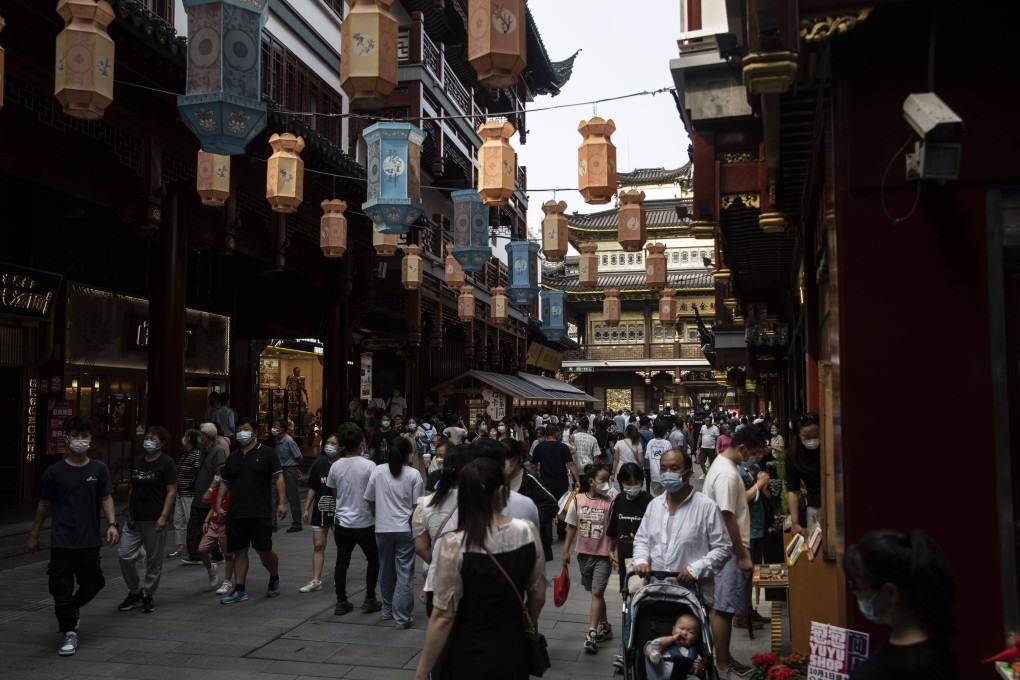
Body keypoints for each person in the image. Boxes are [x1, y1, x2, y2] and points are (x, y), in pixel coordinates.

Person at [413, 458, 546, 680]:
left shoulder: (453, 544)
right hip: (512, 651)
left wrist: (422, 671)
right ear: (502, 491)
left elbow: (443, 616)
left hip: (466, 653)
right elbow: (538, 594)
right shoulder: (527, 532)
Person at [27, 415, 119, 657]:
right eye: (76, 436)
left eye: (84, 436)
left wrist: (112, 524)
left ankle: (72, 607)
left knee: (94, 582)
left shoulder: (99, 469)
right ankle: (69, 632)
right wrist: (35, 534)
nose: (80, 440)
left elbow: (106, 497)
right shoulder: (54, 472)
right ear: (66, 439)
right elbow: (44, 504)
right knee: (60, 586)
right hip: (62, 539)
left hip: (88, 538)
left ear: (90, 438)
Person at [843, 530, 958, 680]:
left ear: (891, 593)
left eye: (858, 589)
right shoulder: (907, 642)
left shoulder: (916, 667)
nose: (856, 596)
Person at [631, 449, 731, 608]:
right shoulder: (654, 505)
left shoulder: (706, 507)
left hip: (693, 597)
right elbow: (642, 540)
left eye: (674, 468)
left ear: (688, 473)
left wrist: (696, 569)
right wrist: (641, 561)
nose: (667, 473)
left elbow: (723, 548)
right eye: (663, 469)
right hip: (655, 594)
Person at [703, 427, 760, 679]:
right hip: (727, 549)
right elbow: (728, 517)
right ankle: (723, 664)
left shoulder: (724, 466)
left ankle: (723, 658)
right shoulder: (727, 474)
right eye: (755, 453)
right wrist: (743, 555)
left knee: (722, 606)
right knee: (723, 608)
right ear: (743, 448)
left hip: (723, 547)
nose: (755, 458)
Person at [215, 417, 288, 603]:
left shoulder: (268, 454)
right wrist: (218, 503)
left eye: (245, 429)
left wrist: (282, 502)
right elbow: (225, 481)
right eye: (239, 429)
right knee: (239, 550)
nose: (241, 432)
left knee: (264, 550)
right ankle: (240, 589)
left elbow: (279, 478)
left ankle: (274, 576)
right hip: (236, 511)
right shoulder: (233, 456)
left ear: (255, 432)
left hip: (260, 511)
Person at [116, 426, 178, 614]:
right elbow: (133, 487)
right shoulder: (138, 461)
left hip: (154, 518)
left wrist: (164, 517)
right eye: (147, 437)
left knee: (153, 559)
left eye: (153, 438)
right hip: (135, 517)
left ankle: (148, 594)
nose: (149, 441)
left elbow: (171, 491)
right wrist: (128, 509)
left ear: (162, 443)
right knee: (124, 554)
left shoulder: (167, 463)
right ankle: (135, 590)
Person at [365, 436, 423, 629]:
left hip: (382, 527)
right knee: (405, 572)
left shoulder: (378, 471)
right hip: (405, 529)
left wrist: (378, 513)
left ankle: (387, 610)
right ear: (408, 454)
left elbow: (369, 499)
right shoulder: (413, 474)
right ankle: (402, 617)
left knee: (386, 569)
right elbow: (417, 506)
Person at [326, 427, 383, 616]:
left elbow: (335, 494)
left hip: (342, 521)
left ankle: (341, 601)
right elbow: (373, 495)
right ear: (361, 445)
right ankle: (370, 598)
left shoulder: (335, 466)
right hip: (365, 521)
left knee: (342, 561)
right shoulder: (369, 465)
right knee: (373, 559)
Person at [562, 464, 618, 654]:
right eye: (603, 480)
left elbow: (615, 530)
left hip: (603, 554)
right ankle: (605, 625)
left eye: (608, 479)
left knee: (596, 592)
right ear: (591, 481)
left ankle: (592, 632)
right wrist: (565, 551)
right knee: (594, 592)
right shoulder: (577, 500)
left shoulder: (611, 501)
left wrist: (614, 551)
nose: (606, 483)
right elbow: (571, 526)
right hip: (584, 553)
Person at [412, 446, 467, 618]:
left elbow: (420, 547)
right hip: (471, 581)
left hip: (437, 582)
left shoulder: (425, 504)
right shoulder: (480, 500)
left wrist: (437, 559)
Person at [298, 432, 342, 593]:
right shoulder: (319, 463)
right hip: (321, 509)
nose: (329, 446)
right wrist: (306, 508)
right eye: (328, 442)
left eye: (333, 443)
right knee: (318, 545)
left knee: (341, 546)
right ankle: (316, 580)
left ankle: (340, 576)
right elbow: (313, 488)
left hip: (340, 511)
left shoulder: (344, 464)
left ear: (341, 447)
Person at [504, 438, 559, 561]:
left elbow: (551, 504)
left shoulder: (530, 479)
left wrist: (529, 522)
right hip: (506, 540)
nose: (503, 462)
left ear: (517, 458)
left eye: (507, 458)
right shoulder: (498, 480)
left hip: (530, 542)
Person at [607, 463, 653, 593]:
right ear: (621, 482)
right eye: (628, 483)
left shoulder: (649, 502)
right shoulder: (619, 499)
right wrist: (612, 550)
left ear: (642, 481)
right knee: (627, 591)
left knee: (641, 593)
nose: (633, 486)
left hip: (644, 559)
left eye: (636, 482)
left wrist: (637, 541)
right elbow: (614, 529)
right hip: (624, 556)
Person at [186, 423, 227, 567]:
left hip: (209, 497)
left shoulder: (218, 451)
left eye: (200, 435)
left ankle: (216, 554)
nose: (198, 438)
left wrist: (210, 490)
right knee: (194, 526)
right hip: (199, 496)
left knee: (209, 526)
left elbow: (219, 474)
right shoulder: (204, 451)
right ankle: (194, 554)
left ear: (206, 436)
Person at [198, 464, 235, 595]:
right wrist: (206, 521)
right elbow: (213, 507)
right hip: (213, 525)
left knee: (228, 555)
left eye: (219, 475)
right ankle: (211, 569)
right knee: (202, 549)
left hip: (225, 526)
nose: (216, 478)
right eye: (216, 475)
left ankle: (227, 582)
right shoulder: (215, 491)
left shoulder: (232, 491)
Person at [169, 429, 203, 561]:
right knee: (178, 521)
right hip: (180, 492)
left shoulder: (196, 455)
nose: (183, 438)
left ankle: (195, 548)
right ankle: (181, 547)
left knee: (191, 521)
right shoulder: (185, 454)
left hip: (189, 493)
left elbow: (198, 472)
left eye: (185, 436)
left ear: (189, 439)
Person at [787, 412, 822, 538]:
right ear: (798, 435)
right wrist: (795, 522)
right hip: (814, 509)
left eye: (816, 435)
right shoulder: (794, 454)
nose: (812, 439)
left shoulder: (829, 447)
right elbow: (793, 490)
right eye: (807, 436)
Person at [644, 613, 705, 680]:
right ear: (673, 630)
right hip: (660, 671)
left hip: (683, 676)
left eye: (691, 632)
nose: (684, 633)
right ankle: (653, 654)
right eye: (681, 628)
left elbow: (697, 674)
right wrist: (672, 639)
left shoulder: (695, 655)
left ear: (695, 639)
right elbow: (658, 642)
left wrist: (698, 670)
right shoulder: (667, 643)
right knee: (650, 646)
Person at [270, 418, 304, 533]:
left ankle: (297, 523)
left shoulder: (289, 441)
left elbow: (299, 457)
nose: (273, 428)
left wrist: (294, 468)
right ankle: (272, 523)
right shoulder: (277, 440)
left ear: (282, 429)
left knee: (293, 496)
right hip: (279, 469)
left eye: (276, 426)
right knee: (273, 495)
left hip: (289, 469)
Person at [645, 421, 673, 496]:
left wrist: (645, 469)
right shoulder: (667, 443)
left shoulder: (650, 443)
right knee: (665, 497)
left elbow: (647, 458)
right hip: (665, 475)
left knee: (654, 497)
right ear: (664, 432)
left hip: (654, 475)